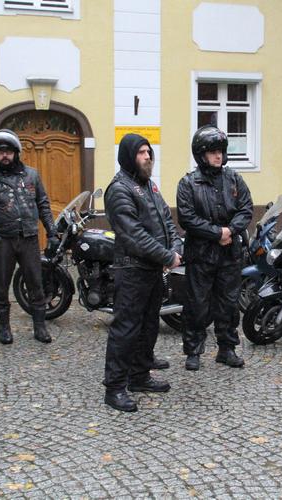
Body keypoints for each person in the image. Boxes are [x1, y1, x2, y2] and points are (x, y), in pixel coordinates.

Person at [102, 133, 182, 412]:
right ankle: (114, 388)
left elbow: (167, 221)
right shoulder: (119, 189)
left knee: (149, 326)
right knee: (125, 330)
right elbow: (133, 235)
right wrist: (167, 256)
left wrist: (175, 246)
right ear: (128, 156)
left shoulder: (149, 186)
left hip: (152, 270)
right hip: (132, 270)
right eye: (141, 153)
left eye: (149, 152)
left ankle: (139, 376)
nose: (148, 157)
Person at [177, 125, 253, 371]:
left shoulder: (234, 179)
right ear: (201, 155)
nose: (218, 156)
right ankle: (193, 350)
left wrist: (229, 231)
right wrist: (216, 233)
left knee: (228, 303)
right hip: (201, 255)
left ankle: (227, 348)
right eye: (212, 152)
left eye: (220, 151)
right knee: (197, 304)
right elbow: (187, 218)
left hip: (230, 253)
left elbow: (246, 209)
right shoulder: (188, 183)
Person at [0, 129, 57, 345]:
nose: (5, 156)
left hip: (29, 239)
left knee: (36, 284)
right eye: (0, 152)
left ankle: (40, 327)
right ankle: (4, 328)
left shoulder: (32, 175)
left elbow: (43, 204)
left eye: (9, 152)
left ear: (16, 153)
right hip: (2, 241)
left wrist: (52, 232)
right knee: (1, 286)